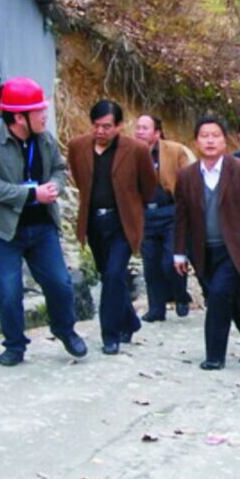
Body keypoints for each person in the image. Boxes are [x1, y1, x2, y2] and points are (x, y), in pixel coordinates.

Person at [0, 77, 87, 366]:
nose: (45, 115)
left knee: (60, 283)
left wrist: (55, 186)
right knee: (9, 292)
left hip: (41, 227)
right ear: (19, 117)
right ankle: (14, 345)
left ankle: (65, 329)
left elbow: (60, 169)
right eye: (39, 111)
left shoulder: (45, 139)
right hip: (4, 231)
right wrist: (32, 193)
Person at [174, 116, 240, 370]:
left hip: (235, 250)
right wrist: (179, 252)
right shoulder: (187, 175)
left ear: (224, 140)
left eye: (216, 135)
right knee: (229, 298)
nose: (210, 141)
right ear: (196, 141)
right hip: (202, 250)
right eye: (204, 136)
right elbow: (181, 217)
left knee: (219, 295)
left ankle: (215, 355)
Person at [67, 101, 158, 355]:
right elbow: (79, 179)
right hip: (94, 221)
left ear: (119, 126)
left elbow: (148, 185)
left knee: (114, 274)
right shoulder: (77, 146)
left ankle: (110, 334)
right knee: (107, 275)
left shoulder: (136, 150)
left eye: (107, 126)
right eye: (96, 126)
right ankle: (130, 321)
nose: (100, 131)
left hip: (123, 223)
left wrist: (132, 207)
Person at [134, 114, 193, 321]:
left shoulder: (175, 151)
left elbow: (189, 179)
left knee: (170, 260)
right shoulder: (130, 153)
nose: (139, 132)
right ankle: (156, 308)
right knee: (150, 264)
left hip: (170, 211)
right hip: (145, 214)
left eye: (145, 128)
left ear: (157, 132)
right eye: (138, 127)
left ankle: (180, 295)